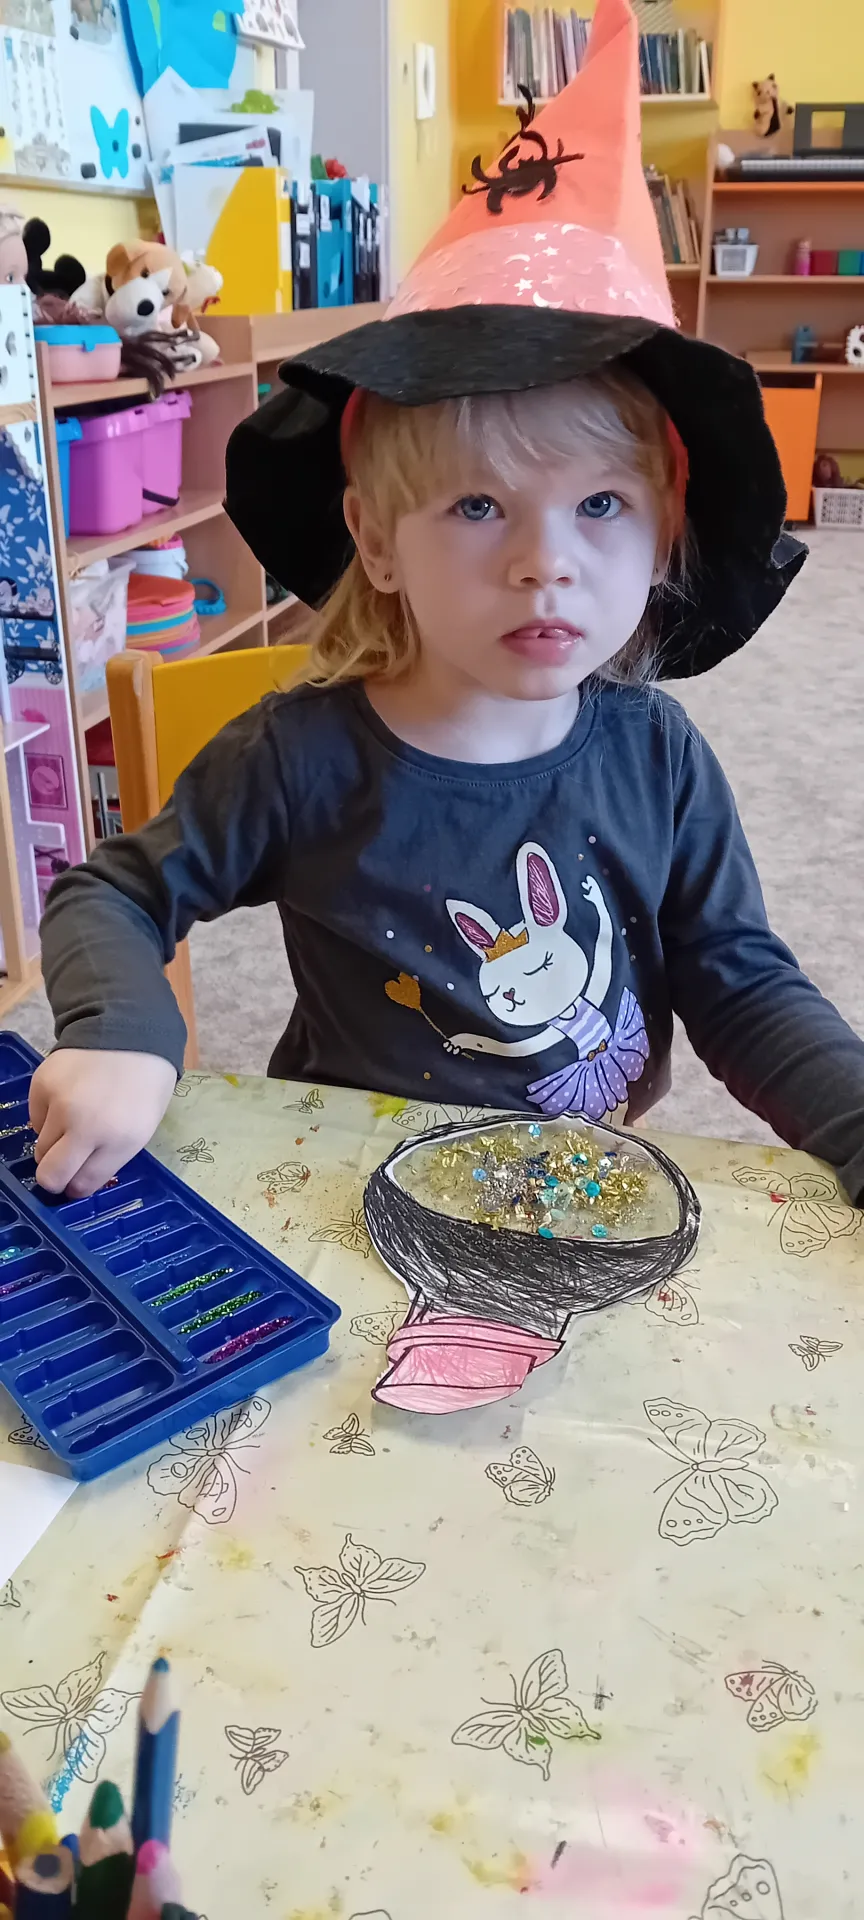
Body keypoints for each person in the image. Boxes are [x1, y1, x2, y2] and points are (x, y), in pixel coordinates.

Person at [34, 0, 864, 1207]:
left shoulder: (662, 761)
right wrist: (121, 1032)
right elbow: (110, 890)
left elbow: (738, 979)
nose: (544, 564)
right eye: (478, 506)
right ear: (376, 541)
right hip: (350, 1192)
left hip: (580, 1189)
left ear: (663, 533)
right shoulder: (300, 757)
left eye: (600, 506)